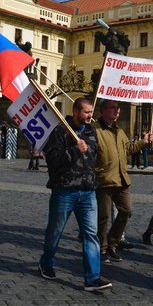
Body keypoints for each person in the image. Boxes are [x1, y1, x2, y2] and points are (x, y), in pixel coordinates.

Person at [38, 98, 112, 292]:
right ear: (76, 111)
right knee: (55, 231)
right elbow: (53, 159)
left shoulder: (90, 131)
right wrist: (74, 150)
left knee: (91, 235)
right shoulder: (60, 131)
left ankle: (92, 278)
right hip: (65, 190)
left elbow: (94, 155)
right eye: (86, 112)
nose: (90, 116)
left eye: (91, 112)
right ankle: (46, 262)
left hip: (87, 190)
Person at [93, 100, 150, 262]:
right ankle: (102, 249)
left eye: (118, 108)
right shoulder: (95, 130)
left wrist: (143, 142)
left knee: (126, 210)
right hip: (104, 179)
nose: (117, 111)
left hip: (122, 179)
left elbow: (129, 149)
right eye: (113, 108)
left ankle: (113, 243)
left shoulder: (119, 130)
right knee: (103, 217)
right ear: (103, 110)